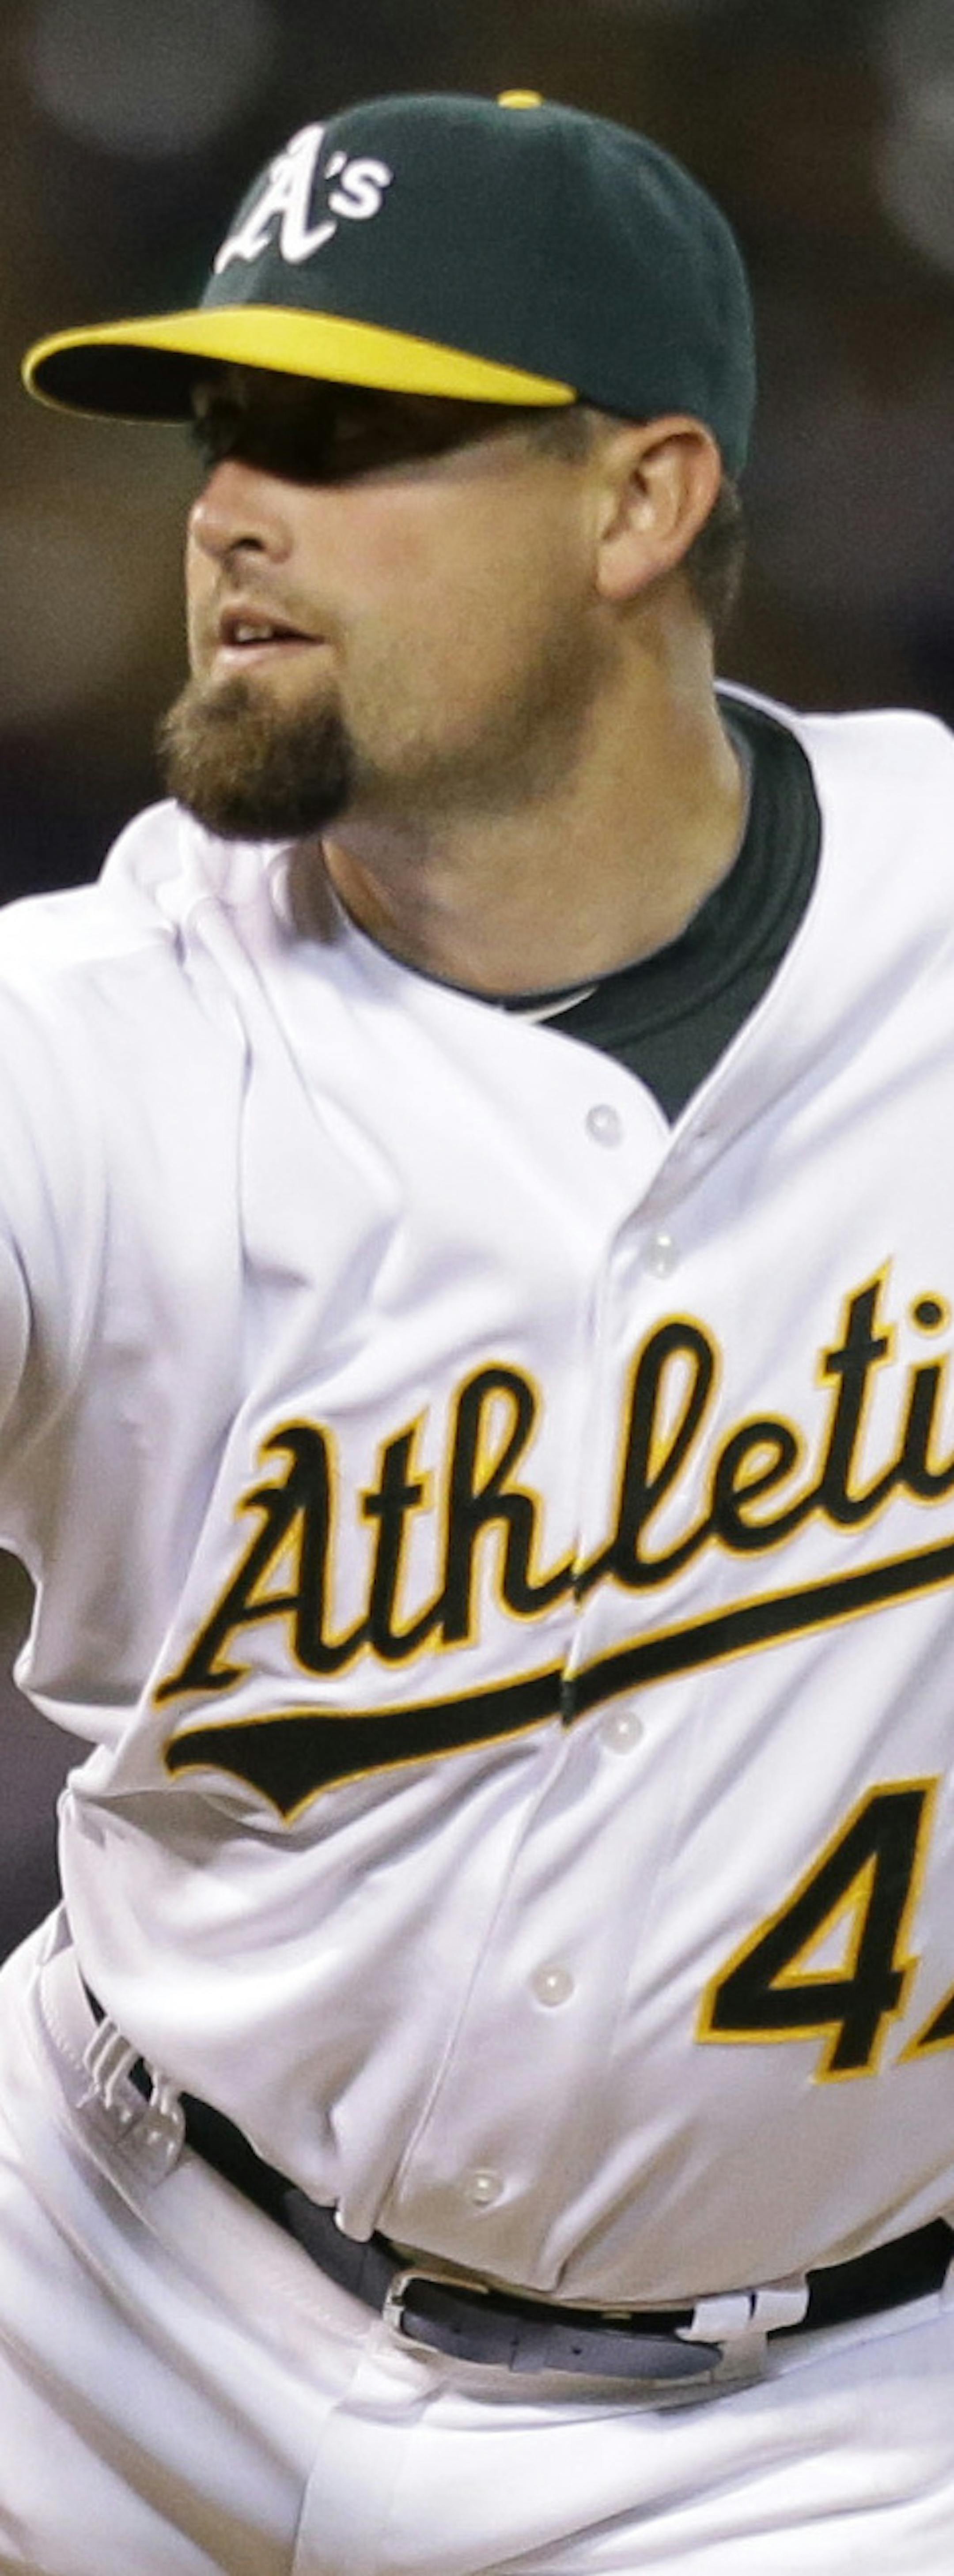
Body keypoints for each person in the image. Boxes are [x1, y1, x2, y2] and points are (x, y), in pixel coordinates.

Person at [4, 81, 954, 2576]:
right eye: (224, 431)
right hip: (98, 2281)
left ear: (641, 504)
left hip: (808, 2440)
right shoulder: (97, 1033)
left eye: (347, 437)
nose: (232, 509)